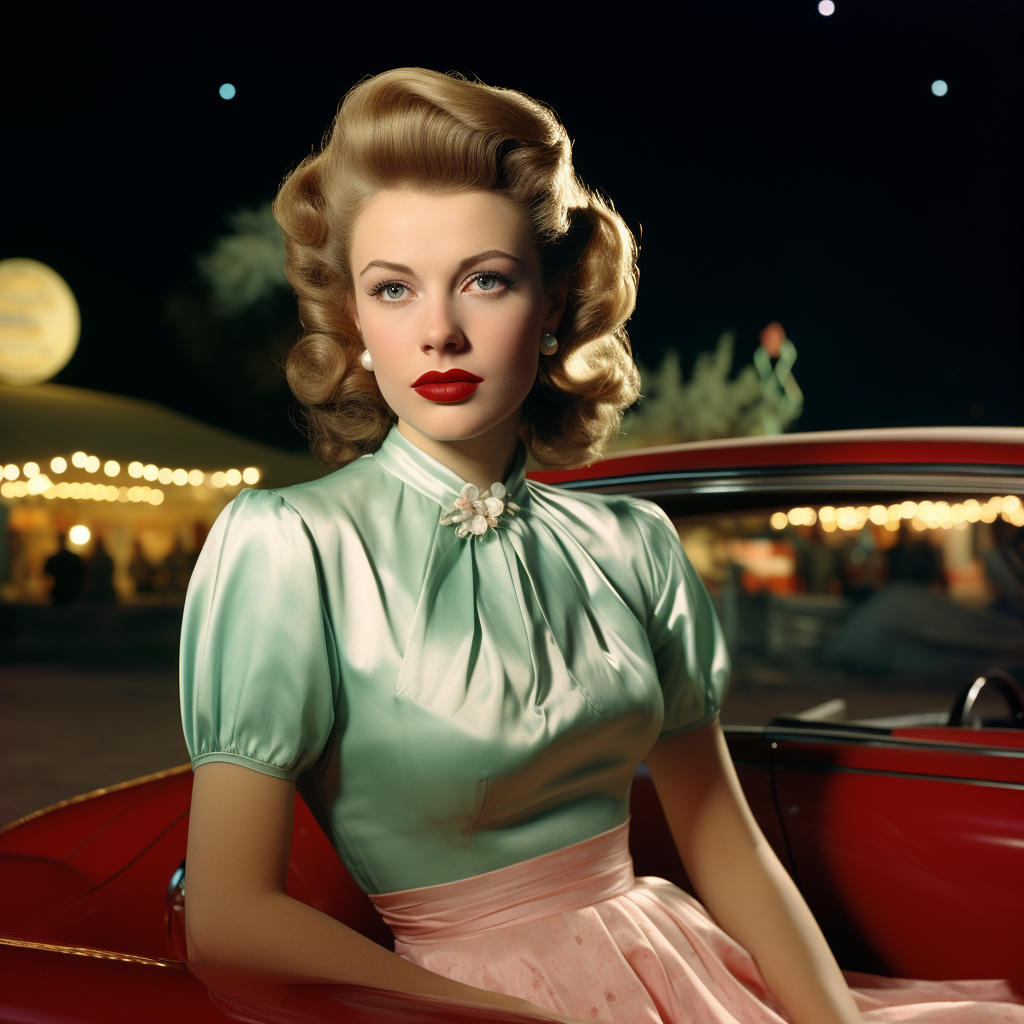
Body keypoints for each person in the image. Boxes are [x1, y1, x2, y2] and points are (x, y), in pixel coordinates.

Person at [179, 69, 1023, 1023]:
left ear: (551, 308)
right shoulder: (292, 544)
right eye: (395, 289)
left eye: (485, 280)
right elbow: (227, 918)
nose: (441, 332)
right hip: (460, 1006)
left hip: (677, 969)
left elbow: (728, 846)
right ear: (357, 323)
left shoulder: (634, 543)